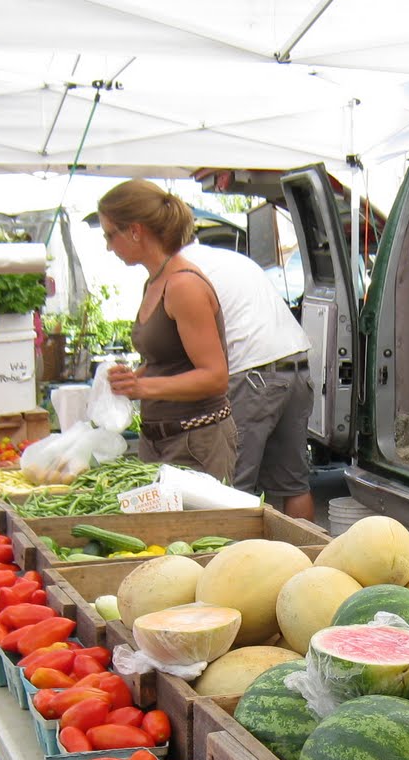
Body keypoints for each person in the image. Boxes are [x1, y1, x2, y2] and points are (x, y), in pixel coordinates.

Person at [96, 180, 237, 481]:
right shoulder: (154, 282)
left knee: (198, 529)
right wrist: (134, 378)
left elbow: (215, 376)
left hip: (195, 443)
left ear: (135, 230)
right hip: (159, 439)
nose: (108, 246)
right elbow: (168, 361)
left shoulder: (183, 285)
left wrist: (141, 389)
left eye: (110, 235)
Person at [179, 242, 316, 520]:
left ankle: (232, 562)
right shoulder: (226, 257)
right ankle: (311, 560)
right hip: (297, 366)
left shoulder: (179, 272)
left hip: (252, 374)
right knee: (294, 485)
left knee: (230, 490)